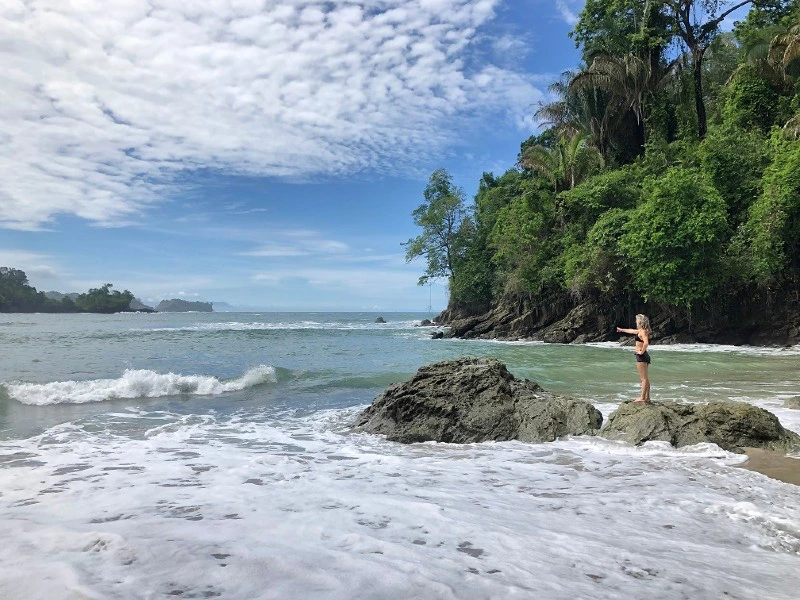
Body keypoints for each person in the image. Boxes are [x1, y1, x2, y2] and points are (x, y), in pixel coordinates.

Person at [616, 314, 651, 403]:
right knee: (645, 378)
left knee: (643, 379)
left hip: (641, 356)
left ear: (640, 322)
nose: (635, 322)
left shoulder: (642, 332)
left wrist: (641, 351)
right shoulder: (641, 331)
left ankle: (642, 398)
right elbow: (631, 331)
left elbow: (646, 343)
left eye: (636, 321)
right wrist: (622, 329)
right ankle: (647, 397)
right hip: (644, 356)